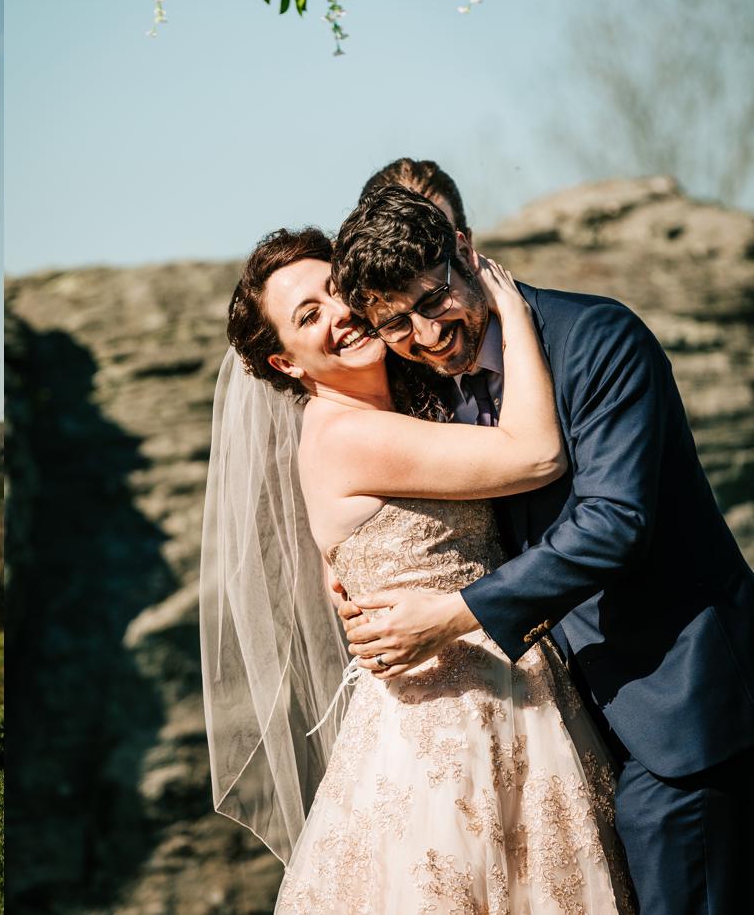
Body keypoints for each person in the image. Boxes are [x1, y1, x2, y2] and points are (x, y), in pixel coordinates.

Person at [330, 185, 754, 913]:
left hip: (678, 703)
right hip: (573, 728)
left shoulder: (598, 339)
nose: (427, 335)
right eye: (396, 323)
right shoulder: (430, 389)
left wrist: (450, 613)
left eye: (434, 301)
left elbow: (615, 522)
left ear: (465, 252)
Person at [202, 226, 634, 911]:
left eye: (337, 290)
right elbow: (535, 455)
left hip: (508, 688)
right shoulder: (347, 433)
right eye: (308, 315)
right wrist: (513, 310)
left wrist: (337, 558)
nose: (339, 313)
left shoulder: (401, 400)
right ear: (287, 363)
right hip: (446, 724)